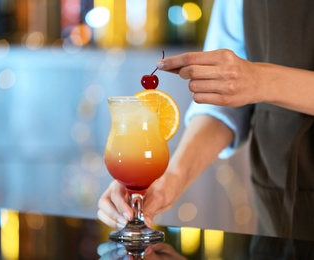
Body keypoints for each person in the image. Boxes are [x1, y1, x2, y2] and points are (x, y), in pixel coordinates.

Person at [98, 0, 314, 241]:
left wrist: (262, 80)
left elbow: (247, 80)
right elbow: (226, 98)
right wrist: (170, 180)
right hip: (279, 203)